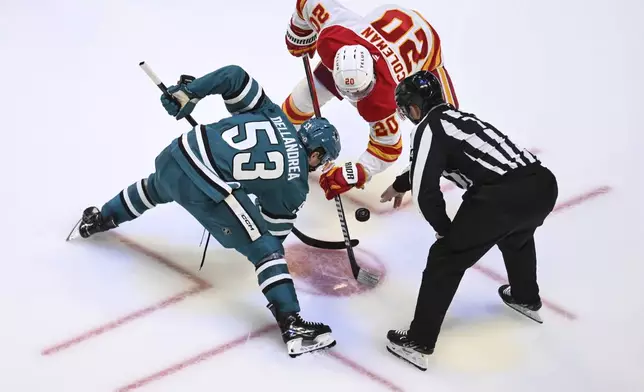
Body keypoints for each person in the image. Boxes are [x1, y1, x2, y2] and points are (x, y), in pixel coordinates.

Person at [69, 65, 342, 358]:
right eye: (323, 160)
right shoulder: (296, 185)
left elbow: (235, 77)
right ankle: (292, 325)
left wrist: (191, 91)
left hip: (177, 153)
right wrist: (260, 195)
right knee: (266, 249)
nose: (319, 165)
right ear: (315, 152)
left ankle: (101, 217)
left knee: (153, 189)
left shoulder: (273, 113)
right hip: (208, 184)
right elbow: (272, 231)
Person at [380, 71, 558, 371]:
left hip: (502, 196)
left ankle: (419, 342)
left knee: (444, 259)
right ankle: (526, 297)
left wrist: (446, 232)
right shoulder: (456, 119)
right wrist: (401, 182)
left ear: (412, 108)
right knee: (517, 238)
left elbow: (426, 193)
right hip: (542, 185)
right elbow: (435, 161)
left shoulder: (428, 127)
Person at [281, 0, 459, 200]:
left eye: (359, 92)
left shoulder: (383, 98)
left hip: (426, 46)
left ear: (372, 76)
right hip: (385, 20)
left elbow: (388, 148)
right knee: (301, 100)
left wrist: (353, 173)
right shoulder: (334, 37)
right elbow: (306, 3)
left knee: (446, 126)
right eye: (346, 91)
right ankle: (279, 141)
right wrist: (299, 33)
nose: (353, 99)